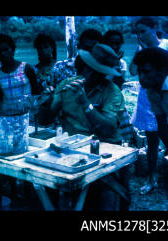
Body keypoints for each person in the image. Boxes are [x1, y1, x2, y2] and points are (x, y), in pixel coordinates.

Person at [38, 44, 128, 210]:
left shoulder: (112, 91)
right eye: (89, 69)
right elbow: (45, 119)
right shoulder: (67, 85)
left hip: (102, 150)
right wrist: (46, 101)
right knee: (41, 184)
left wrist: (85, 103)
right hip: (70, 150)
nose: (95, 74)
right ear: (84, 68)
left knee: (107, 195)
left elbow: (107, 129)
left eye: (101, 71)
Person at [129, 17, 168, 196]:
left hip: (167, 92)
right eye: (137, 32)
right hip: (151, 94)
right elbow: (133, 71)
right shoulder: (140, 49)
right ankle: (152, 178)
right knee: (153, 141)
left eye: (143, 31)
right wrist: (142, 50)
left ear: (154, 28)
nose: (140, 35)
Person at [0, 33, 43, 115]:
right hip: (8, 115)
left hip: (28, 114)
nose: (3, 53)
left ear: (13, 49)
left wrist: (36, 111)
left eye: (6, 49)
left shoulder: (26, 68)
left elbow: (36, 92)